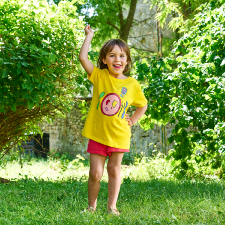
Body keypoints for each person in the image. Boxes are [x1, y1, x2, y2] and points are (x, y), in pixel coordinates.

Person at [79, 25, 147, 216]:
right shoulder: (99, 76)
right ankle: (91, 207)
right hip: (98, 133)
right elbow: (83, 58)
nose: (117, 59)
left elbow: (142, 105)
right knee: (95, 174)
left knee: (114, 170)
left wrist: (132, 120)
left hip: (119, 134)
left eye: (121, 56)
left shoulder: (132, 84)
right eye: (112, 55)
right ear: (104, 60)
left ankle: (112, 207)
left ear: (127, 61)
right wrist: (89, 36)